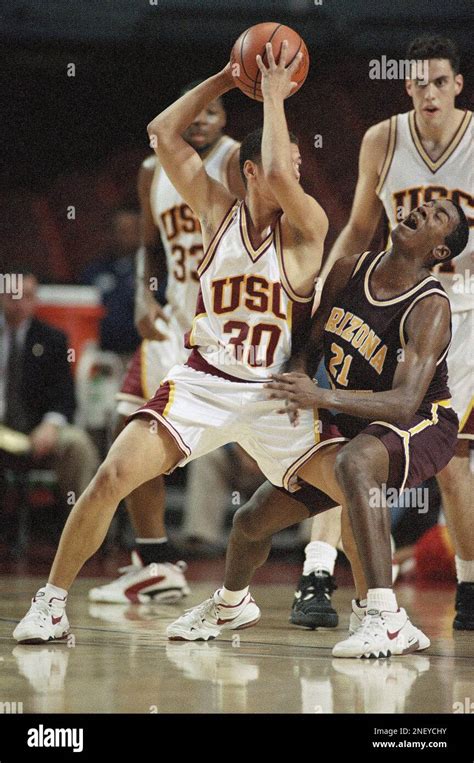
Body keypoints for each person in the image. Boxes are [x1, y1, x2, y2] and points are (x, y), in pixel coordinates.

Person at [13, 41, 329, 644]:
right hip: (203, 378)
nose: (288, 167)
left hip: (272, 390)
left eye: (290, 158)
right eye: (274, 156)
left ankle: (380, 611)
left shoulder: (308, 226)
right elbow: (161, 131)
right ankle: (52, 602)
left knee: (354, 483)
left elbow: (286, 173)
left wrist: (270, 91)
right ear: (249, 169)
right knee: (112, 473)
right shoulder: (216, 208)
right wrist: (226, 76)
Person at [167, 197, 468, 659]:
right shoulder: (348, 271)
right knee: (250, 521)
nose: (422, 211)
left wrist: (321, 396)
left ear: (440, 253)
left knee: (355, 462)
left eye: (438, 217)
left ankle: (384, 617)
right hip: (350, 422)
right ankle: (229, 604)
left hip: (422, 424)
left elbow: (406, 403)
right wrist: (300, 378)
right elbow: (307, 343)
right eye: (423, 206)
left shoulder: (430, 306)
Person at [293, 34, 474, 631]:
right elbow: (358, 227)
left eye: (438, 81)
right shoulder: (383, 138)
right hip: (383, 300)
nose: (427, 91)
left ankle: (469, 587)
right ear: (406, 85)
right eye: (417, 81)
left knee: (452, 459)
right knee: (344, 434)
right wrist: (329, 284)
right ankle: (317, 573)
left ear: (457, 86)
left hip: (459, 312)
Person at [88, 82, 244, 603]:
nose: (201, 122)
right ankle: (155, 562)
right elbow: (150, 250)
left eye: (213, 112)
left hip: (225, 328)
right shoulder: (152, 170)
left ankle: (320, 562)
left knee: (255, 454)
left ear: (224, 120)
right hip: (168, 325)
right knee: (125, 430)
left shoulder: (237, 162)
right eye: (193, 114)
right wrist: (144, 299)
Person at [0, 271, 100, 508]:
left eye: (27, 296)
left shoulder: (52, 339)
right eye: (13, 296)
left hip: (37, 428)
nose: (19, 303)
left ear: (36, 300)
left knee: (78, 445)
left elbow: (65, 398)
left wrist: (51, 424)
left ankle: (79, 528)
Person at [80, 208, 141, 359]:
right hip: (100, 354)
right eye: (120, 230)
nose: (125, 236)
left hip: (137, 354)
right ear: (110, 233)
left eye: (131, 230)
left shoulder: (149, 274)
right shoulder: (93, 271)